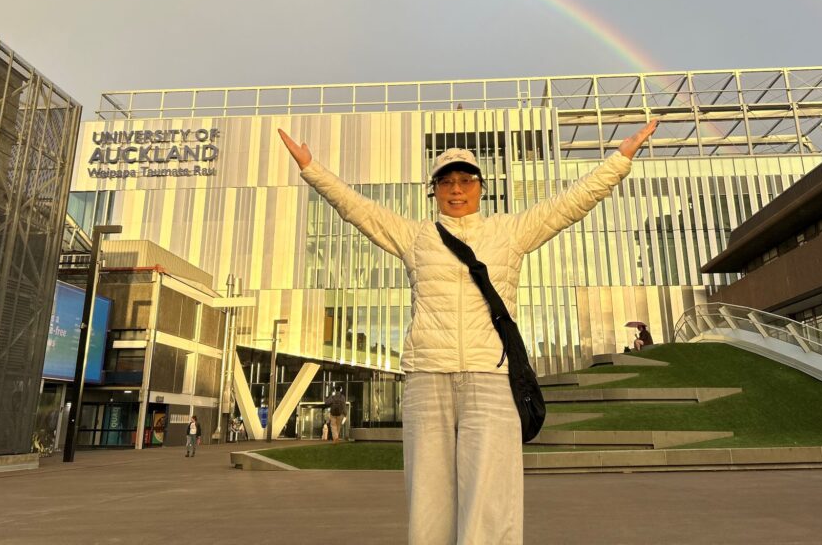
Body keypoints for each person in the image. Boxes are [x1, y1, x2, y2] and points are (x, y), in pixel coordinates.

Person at [279, 119, 656, 545]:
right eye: (446, 183)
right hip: (428, 376)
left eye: (464, 180)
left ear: (480, 186)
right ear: (434, 191)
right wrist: (311, 167)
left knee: (492, 493)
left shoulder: (509, 232)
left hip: (490, 376)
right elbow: (357, 208)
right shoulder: (416, 237)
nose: (456, 190)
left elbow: (571, 203)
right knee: (428, 495)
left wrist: (620, 159)